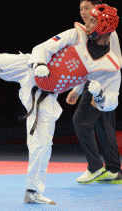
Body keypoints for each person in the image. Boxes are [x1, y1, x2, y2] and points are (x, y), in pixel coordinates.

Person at [0, 3, 121, 204]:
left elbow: (111, 102)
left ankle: (32, 191)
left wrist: (101, 95)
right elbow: (42, 48)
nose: (87, 23)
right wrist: (39, 63)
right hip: (27, 68)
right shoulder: (75, 34)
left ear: (105, 27)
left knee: (42, 144)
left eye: (94, 21)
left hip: (45, 96)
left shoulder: (109, 66)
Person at [66, 0, 122, 184]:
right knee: (103, 127)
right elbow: (85, 67)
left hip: (105, 84)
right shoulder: (87, 33)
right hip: (93, 85)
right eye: (80, 8)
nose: (83, 12)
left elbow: (115, 62)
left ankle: (99, 168)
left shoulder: (107, 33)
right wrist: (77, 90)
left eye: (87, 8)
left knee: (92, 124)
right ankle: (111, 169)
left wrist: (101, 94)